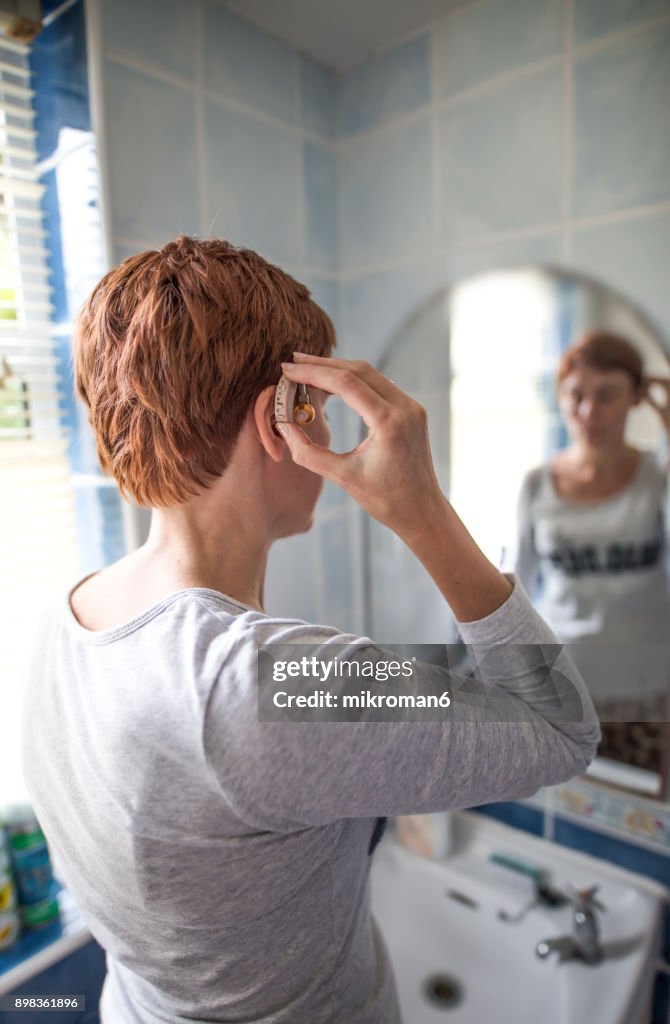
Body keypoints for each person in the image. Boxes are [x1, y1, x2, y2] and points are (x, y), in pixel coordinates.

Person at [21, 236, 599, 1024]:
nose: (328, 433)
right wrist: (423, 512)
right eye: (319, 410)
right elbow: (561, 728)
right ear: (278, 420)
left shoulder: (72, 615)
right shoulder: (271, 683)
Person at [511, 330, 670, 775]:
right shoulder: (537, 483)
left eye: (607, 395)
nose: (588, 412)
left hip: (649, 688)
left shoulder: (659, 476)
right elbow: (516, 586)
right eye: (576, 395)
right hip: (565, 688)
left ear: (638, 397)